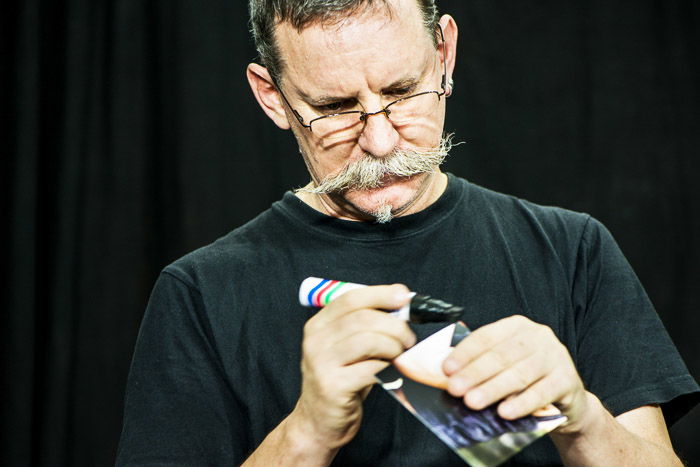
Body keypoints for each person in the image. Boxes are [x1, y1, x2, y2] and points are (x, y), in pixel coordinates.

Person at [117, 0, 699, 465]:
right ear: (273, 98)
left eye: (401, 93)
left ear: (444, 55)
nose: (380, 141)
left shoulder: (574, 251)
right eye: (336, 108)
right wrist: (307, 435)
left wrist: (581, 419)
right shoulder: (200, 294)